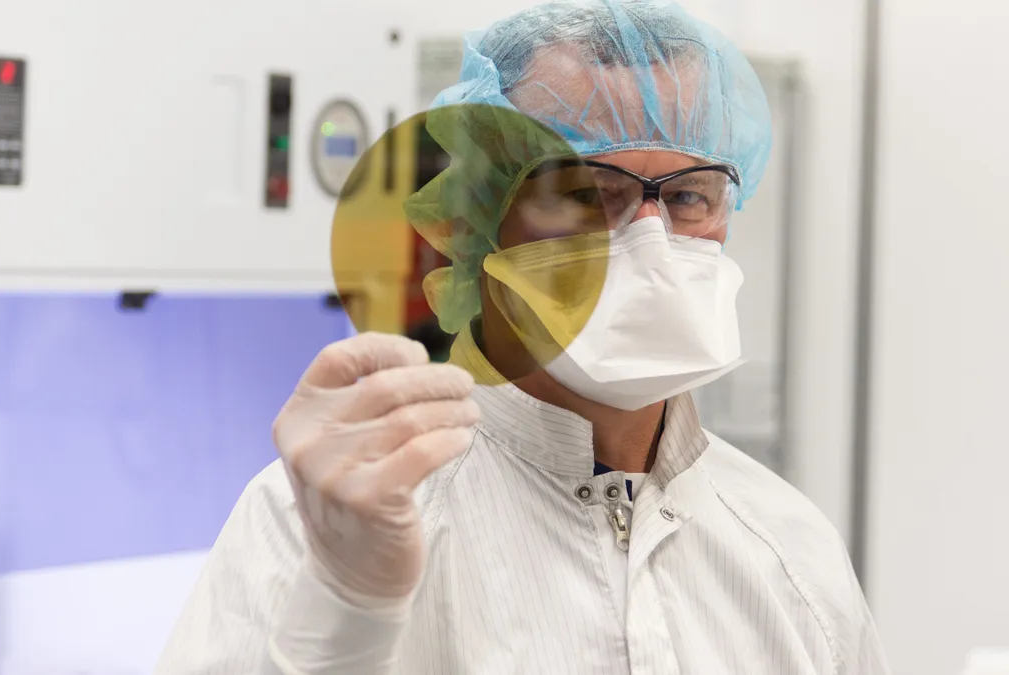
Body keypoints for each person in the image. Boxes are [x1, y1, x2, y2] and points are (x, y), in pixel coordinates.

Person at [155, 1, 890, 673]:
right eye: (592, 193)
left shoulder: (791, 549)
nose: (652, 240)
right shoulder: (335, 516)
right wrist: (346, 609)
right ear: (479, 222)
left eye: (689, 195)